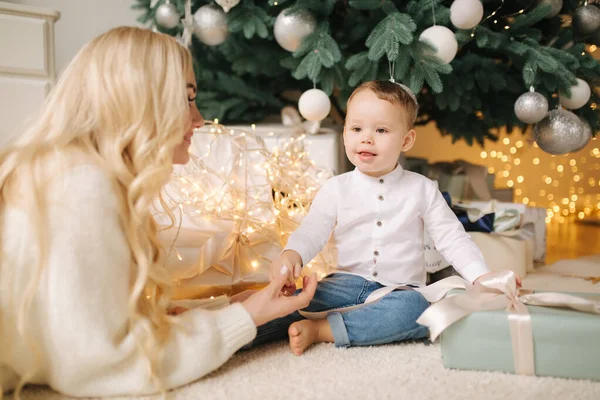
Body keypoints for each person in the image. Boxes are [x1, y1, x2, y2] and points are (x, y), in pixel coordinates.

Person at [0, 26, 317, 399]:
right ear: (140, 101)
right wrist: (249, 317)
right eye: (186, 99)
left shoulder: (70, 170)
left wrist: (226, 305)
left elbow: (95, 318)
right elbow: (102, 365)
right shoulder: (81, 185)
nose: (199, 119)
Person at [259, 80, 510, 356]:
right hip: (344, 284)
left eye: (381, 130)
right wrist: (292, 254)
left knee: (419, 313)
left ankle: (323, 330)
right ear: (345, 134)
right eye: (356, 129)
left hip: (398, 291)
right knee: (287, 302)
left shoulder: (422, 189)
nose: (366, 138)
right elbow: (312, 231)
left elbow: (452, 237)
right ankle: (245, 333)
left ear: (406, 140)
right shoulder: (336, 188)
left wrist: (481, 276)